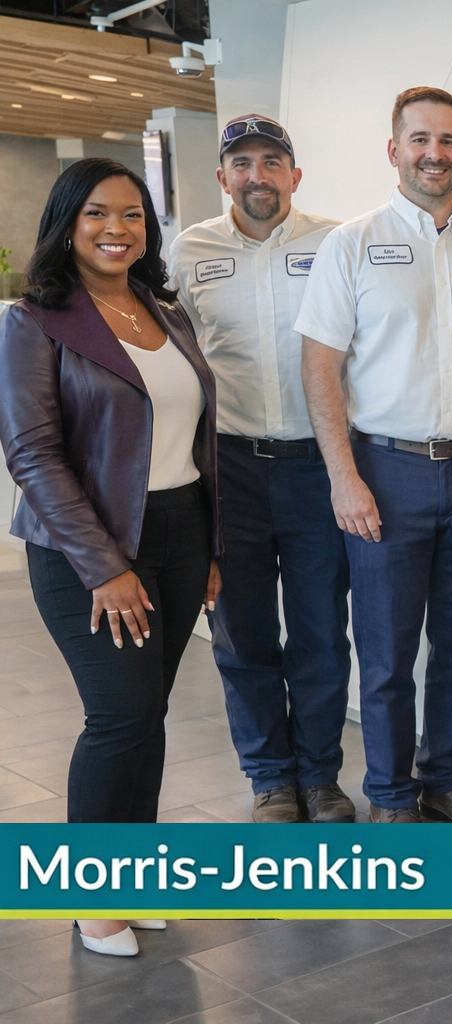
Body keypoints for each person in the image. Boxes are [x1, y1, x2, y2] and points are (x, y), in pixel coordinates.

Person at [296, 87, 452, 829]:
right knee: (386, 651)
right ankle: (392, 795)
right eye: (419, 139)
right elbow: (320, 369)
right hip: (386, 471)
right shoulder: (353, 244)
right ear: (394, 150)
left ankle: (451, 783)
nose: (434, 153)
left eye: (447, 140)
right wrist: (344, 478)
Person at [0, 158, 220, 955]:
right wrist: (106, 565)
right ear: (67, 223)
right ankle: (90, 898)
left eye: (132, 215)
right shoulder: (34, 321)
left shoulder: (166, 313)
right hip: (84, 547)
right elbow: (32, 454)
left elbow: (193, 440)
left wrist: (211, 548)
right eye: (97, 214)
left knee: (148, 719)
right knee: (119, 717)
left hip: (180, 532)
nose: (116, 229)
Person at [166, 115, 354, 825]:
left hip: (318, 467)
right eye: (241, 163)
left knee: (319, 634)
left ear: (294, 176)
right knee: (242, 634)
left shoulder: (337, 242)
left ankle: (321, 775)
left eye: (271, 162)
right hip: (230, 471)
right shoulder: (190, 252)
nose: (256, 176)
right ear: (223, 178)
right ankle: (271, 779)